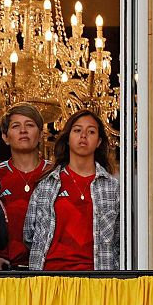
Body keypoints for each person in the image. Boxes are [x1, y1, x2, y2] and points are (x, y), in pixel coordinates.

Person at [23, 109, 120, 270]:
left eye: (91, 132)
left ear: (99, 142)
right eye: (77, 130)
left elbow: (121, 239)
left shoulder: (113, 188)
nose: (83, 135)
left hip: (98, 277)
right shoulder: (46, 185)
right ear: (67, 138)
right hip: (51, 276)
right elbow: (29, 235)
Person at [0, 104, 50, 270]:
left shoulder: (56, 174)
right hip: (5, 270)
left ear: (40, 135)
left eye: (30, 125)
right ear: (5, 137)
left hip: (50, 269)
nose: (23, 130)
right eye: (16, 126)